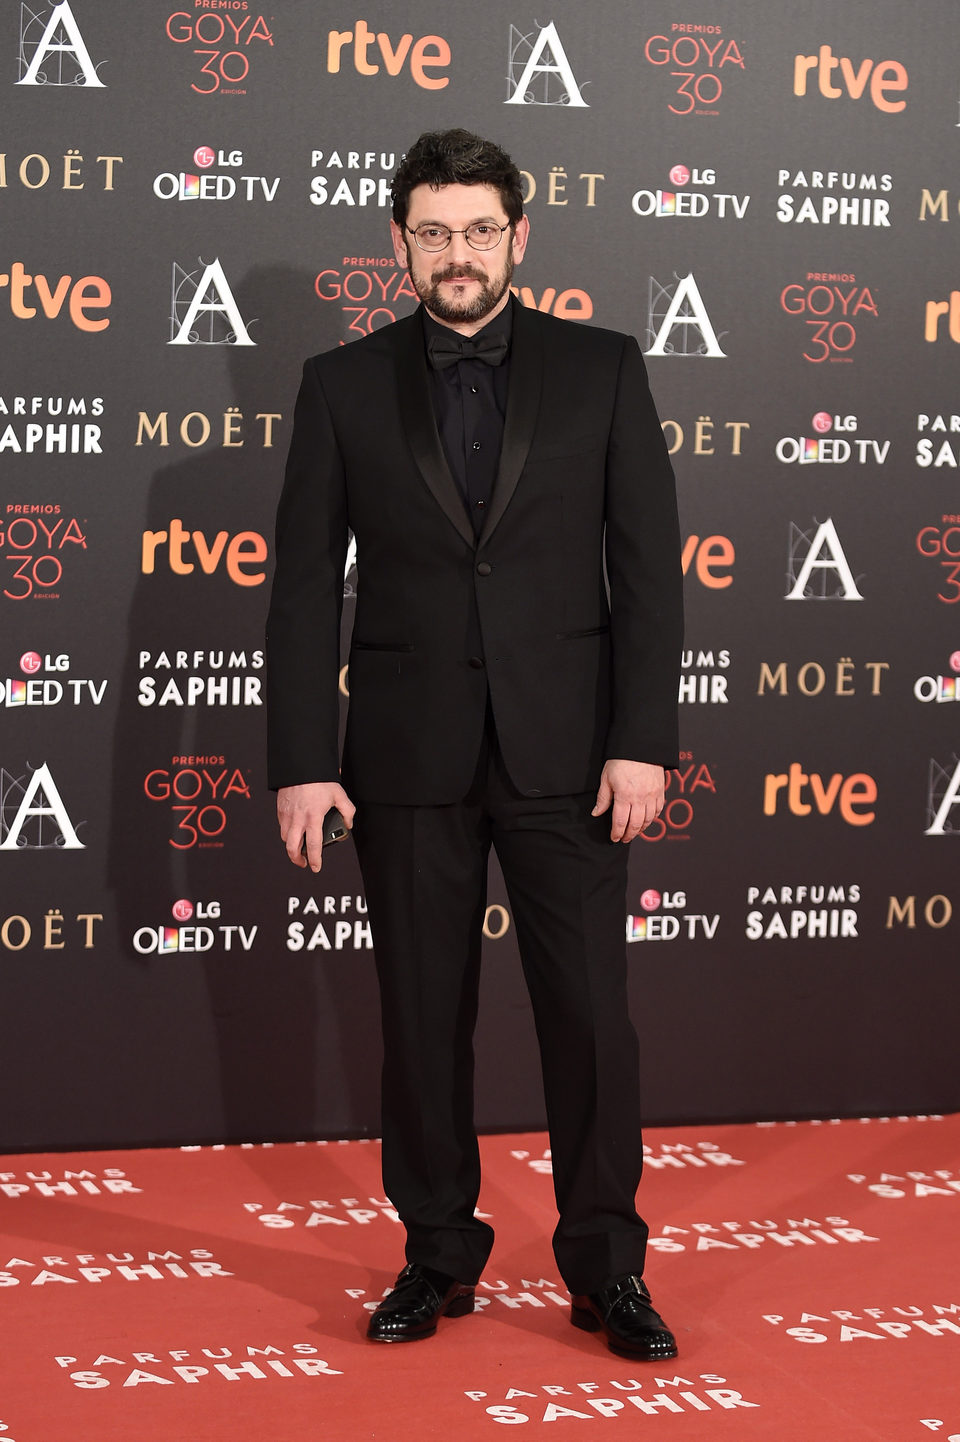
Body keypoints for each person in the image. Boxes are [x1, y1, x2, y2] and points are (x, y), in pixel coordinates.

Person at [266, 129, 683, 1360]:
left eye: (480, 229)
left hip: (571, 753)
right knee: (420, 1015)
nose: (458, 253)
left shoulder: (605, 367)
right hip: (404, 755)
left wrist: (643, 740)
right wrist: (301, 757)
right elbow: (300, 592)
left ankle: (609, 1265)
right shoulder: (339, 385)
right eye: (434, 232)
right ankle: (437, 1252)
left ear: (520, 237)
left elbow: (648, 572)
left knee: (592, 1018)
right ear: (400, 243)